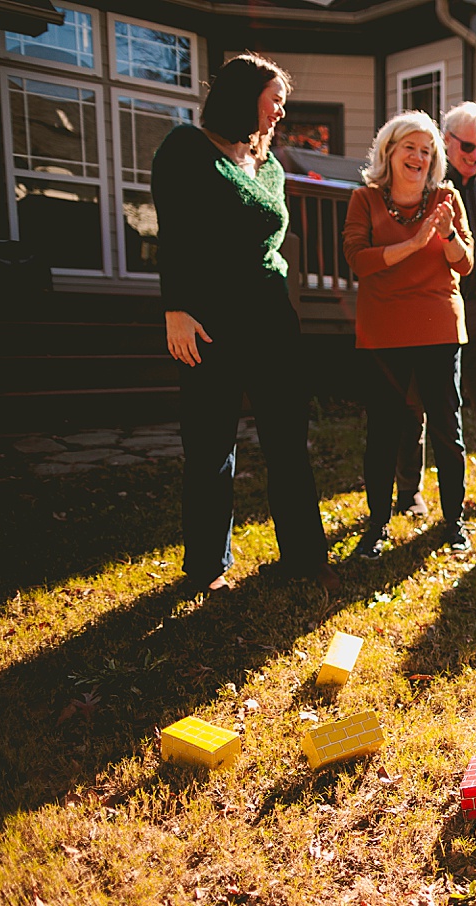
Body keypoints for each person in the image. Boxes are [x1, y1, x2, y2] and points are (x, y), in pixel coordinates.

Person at [153, 53, 338, 594]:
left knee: (287, 441)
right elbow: (175, 235)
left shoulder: (271, 165)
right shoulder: (186, 148)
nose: (281, 110)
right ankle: (207, 566)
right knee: (210, 445)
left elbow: (272, 243)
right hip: (208, 320)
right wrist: (175, 309)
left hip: (271, 320)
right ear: (243, 94)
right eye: (275, 98)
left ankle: (306, 557)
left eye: (283, 101)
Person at [388, 101, 476, 512]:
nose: (474, 156)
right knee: (416, 401)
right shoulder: (423, 183)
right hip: (430, 306)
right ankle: (409, 491)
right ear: (446, 141)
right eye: (467, 146)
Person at [342, 111, 475, 559]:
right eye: (409, 148)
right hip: (383, 330)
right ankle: (377, 525)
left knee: (446, 429)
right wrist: (415, 244)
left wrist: (447, 234)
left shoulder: (447, 197)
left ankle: (455, 523)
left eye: (426, 150)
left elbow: (465, 262)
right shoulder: (364, 199)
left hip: (438, 324)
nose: (418, 157)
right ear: (389, 151)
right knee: (383, 430)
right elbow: (358, 259)